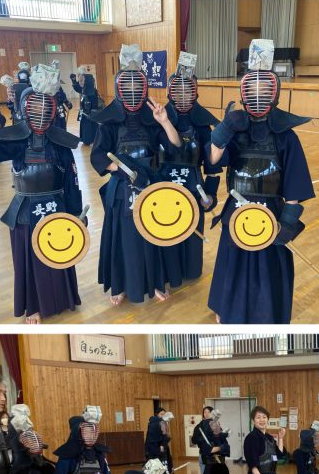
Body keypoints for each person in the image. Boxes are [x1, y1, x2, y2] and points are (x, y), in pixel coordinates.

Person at [208, 38, 315, 324]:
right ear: (244, 93)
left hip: (271, 213)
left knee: (268, 267)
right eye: (251, 90)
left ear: (273, 93)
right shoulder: (235, 129)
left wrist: (288, 222)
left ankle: (266, 313)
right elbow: (213, 159)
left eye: (263, 90)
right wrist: (225, 127)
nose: (257, 96)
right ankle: (226, 307)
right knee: (232, 263)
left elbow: (294, 186)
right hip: (237, 210)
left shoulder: (286, 137)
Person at [0, 65, 84, 323]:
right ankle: (34, 306)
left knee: (58, 253)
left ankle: (63, 299)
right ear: (25, 108)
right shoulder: (16, 140)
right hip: (25, 210)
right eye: (34, 107)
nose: (39, 113)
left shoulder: (61, 144)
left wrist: (76, 215)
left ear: (51, 111)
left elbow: (71, 182)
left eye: (44, 107)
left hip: (55, 207)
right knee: (29, 261)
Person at [90, 45, 181, 306]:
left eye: (136, 85)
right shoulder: (109, 122)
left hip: (150, 185)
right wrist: (123, 171)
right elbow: (98, 156)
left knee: (153, 235)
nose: (132, 90)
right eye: (126, 85)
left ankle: (155, 282)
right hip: (122, 188)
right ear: (119, 87)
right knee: (124, 239)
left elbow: (174, 145)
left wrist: (164, 121)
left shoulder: (152, 118)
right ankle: (121, 285)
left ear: (143, 87)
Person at [159, 59, 220, 290]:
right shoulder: (159, 120)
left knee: (192, 233)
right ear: (171, 92)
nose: (183, 95)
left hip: (194, 187)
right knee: (166, 229)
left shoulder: (202, 125)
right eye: (179, 90)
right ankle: (168, 271)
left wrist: (211, 195)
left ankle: (191, 268)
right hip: (166, 186)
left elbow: (212, 167)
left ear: (195, 92)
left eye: (188, 90)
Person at [144, 409, 175, 474]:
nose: (163, 416)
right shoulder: (157, 425)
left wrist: (170, 465)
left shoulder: (159, 425)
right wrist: (161, 447)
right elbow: (157, 444)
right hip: (156, 460)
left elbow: (166, 448)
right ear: (157, 415)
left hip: (159, 459)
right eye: (161, 414)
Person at [73, 68, 101, 146]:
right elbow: (79, 88)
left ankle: (89, 139)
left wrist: (87, 110)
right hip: (87, 112)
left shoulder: (90, 90)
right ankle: (88, 139)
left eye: (81, 80)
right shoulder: (87, 88)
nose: (80, 82)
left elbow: (92, 104)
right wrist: (74, 82)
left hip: (89, 112)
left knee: (88, 124)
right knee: (87, 123)